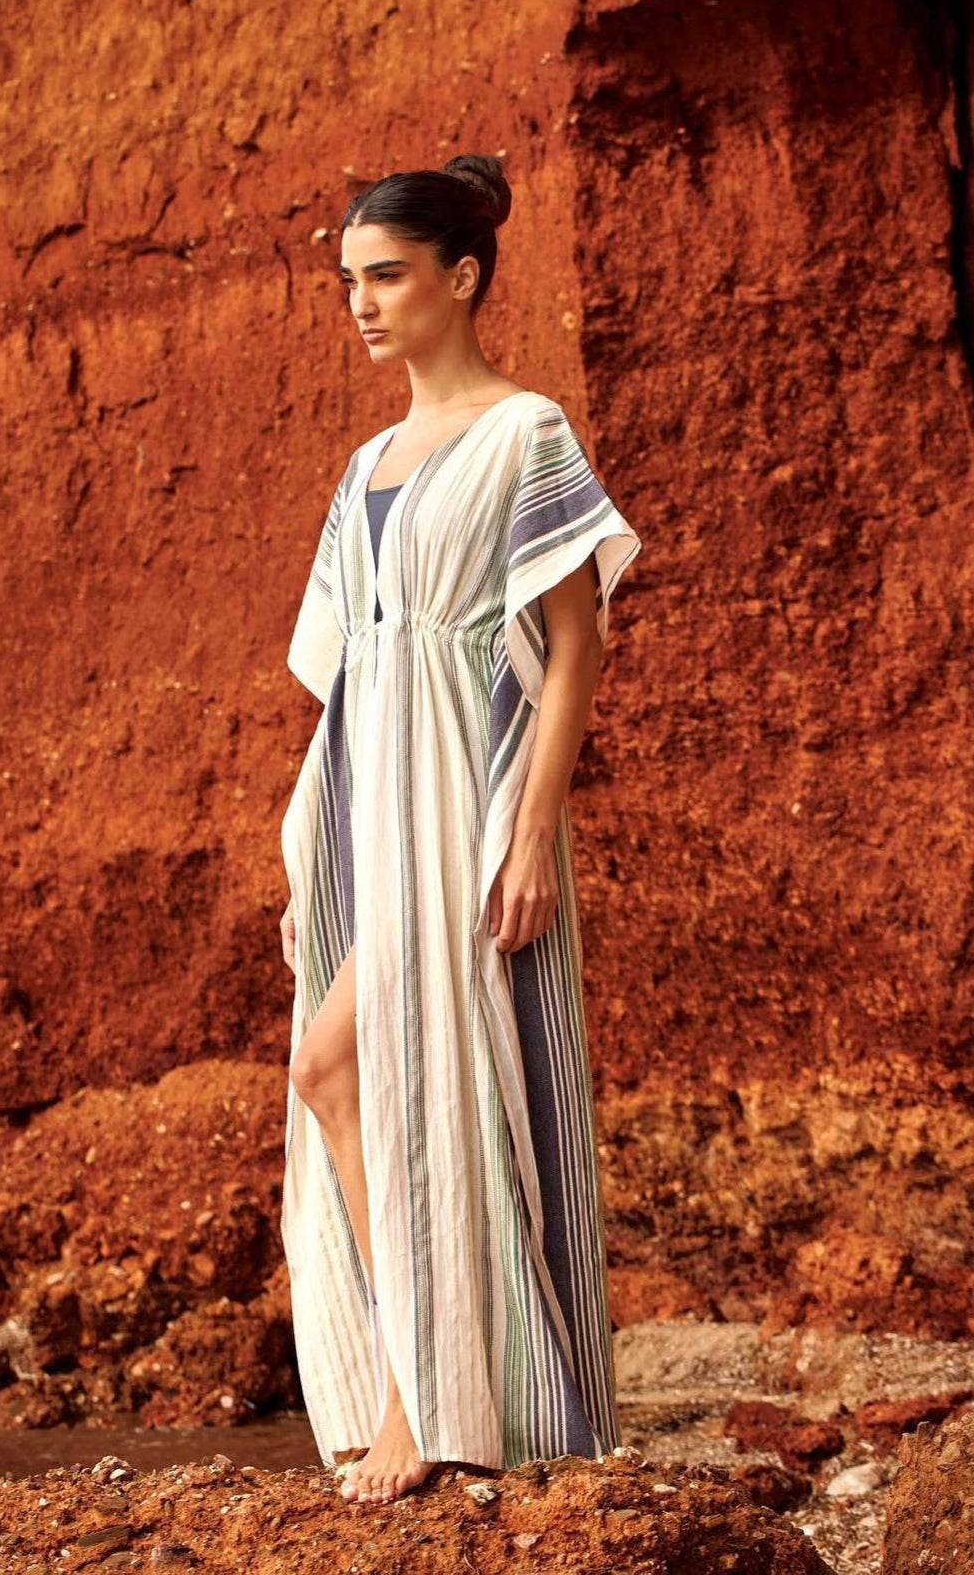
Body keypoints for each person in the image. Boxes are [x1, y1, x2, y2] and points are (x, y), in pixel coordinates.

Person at [278, 153, 642, 1508]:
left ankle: (423, 1403)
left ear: (464, 276)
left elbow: (574, 643)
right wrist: (309, 847)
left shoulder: (526, 432)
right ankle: (423, 1386)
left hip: (468, 803)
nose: (362, 305)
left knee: (408, 1076)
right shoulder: (366, 464)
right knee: (337, 1071)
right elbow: (348, 673)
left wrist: (532, 835)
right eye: (349, 283)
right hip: (376, 809)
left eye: (387, 276)